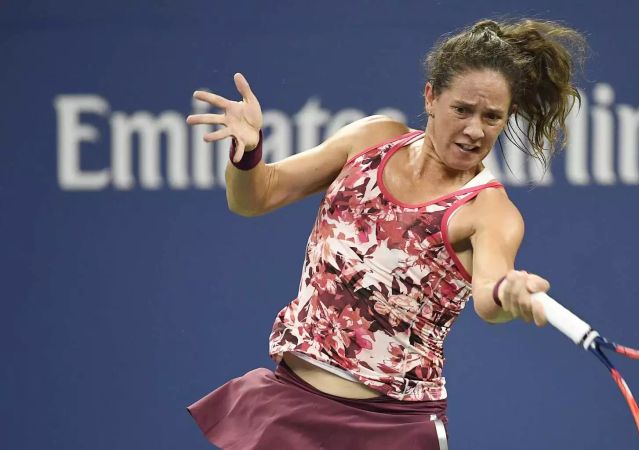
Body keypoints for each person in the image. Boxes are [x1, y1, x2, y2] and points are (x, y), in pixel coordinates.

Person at [186, 18, 586, 450]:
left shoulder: (489, 211)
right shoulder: (371, 139)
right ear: (431, 97)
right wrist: (247, 155)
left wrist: (511, 293)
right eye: (462, 110)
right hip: (291, 403)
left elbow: (489, 296)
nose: (475, 129)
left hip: (389, 429)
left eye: (492, 117)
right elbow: (256, 197)